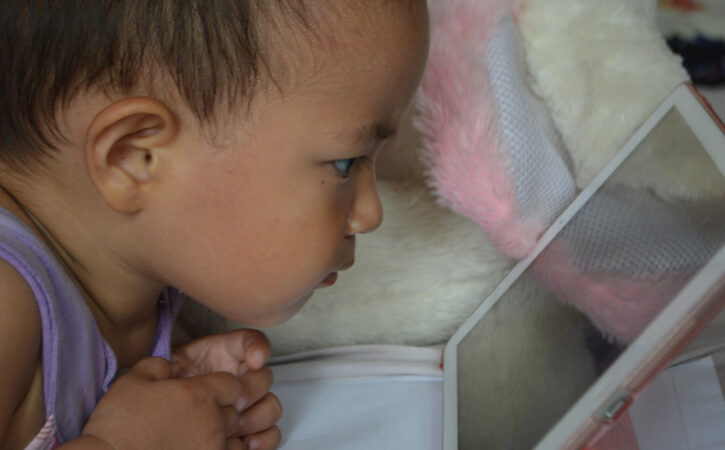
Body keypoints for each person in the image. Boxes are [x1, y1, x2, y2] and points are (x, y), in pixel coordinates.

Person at [0, 1, 430, 449]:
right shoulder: (6, 299)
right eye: (346, 162)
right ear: (136, 158)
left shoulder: (130, 270)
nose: (370, 213)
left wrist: (164, 394)